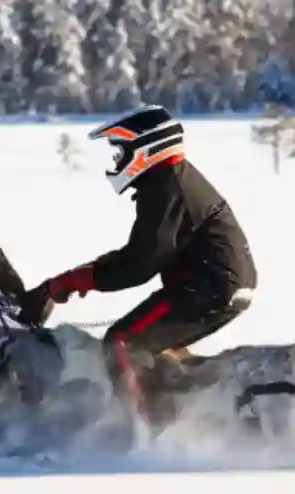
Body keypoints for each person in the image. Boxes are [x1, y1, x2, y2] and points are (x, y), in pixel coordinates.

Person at [32, 104, 258, 427]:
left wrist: (79, 279)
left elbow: (140, 263)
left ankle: (145, 429)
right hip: (214, 285)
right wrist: (79, 277)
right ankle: (190, 409)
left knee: (123, 343)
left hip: (210, 288)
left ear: (147, 149)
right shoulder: (168, 181)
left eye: (121, 153)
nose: (116, 162)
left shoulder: (168, 187)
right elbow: (142, 253)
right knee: (156, 350)